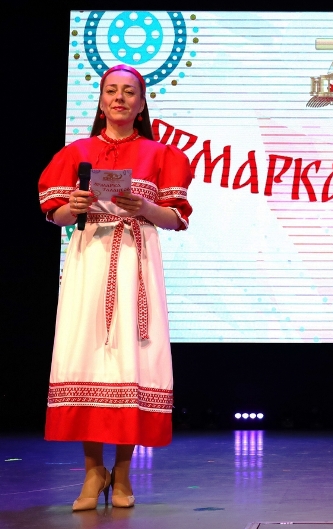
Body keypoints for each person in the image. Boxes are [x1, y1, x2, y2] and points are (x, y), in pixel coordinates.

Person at [38, 64, 193, 511]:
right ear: (102, 101)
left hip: (134, 263)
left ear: (141, 104)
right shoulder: (77, 152)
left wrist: (144, 205)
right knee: (87, 356)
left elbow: (175, 218)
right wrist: (73, 205)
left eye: (129, 92)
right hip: (89, 264)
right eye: (111, 91)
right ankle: (93, 472)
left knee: (131, 360)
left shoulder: (161, 154)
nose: (119, 98)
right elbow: (55, 215)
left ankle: (122, 473)